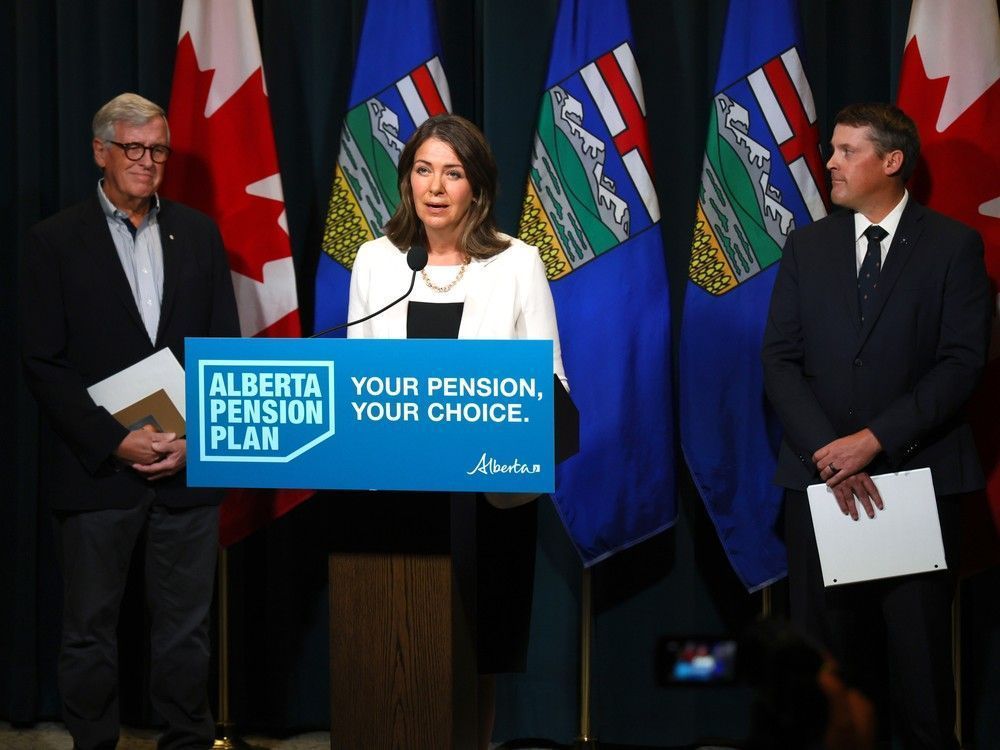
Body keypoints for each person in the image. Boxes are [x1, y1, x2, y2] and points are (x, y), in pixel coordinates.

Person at [761, 102, 992, 749]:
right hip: (819, 484)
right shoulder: (808, 245)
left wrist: (874, 441)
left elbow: (961, 363)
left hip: (914, 482)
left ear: (892, 162)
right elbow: (779, 358)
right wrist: (828, 455)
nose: (828, 163)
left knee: (919, 680)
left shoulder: (952, 246)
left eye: (845, 151)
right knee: (820, 679)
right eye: (830, 149)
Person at [19, 93, 240, 750]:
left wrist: (195, 437)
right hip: (96, 473)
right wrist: (114, 441)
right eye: (135, 149)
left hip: (185, 467)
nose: (148, 162)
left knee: (186, 633)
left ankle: (187, 743)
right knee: (89, 633)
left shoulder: (198, 234)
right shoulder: (52, 241)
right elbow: (42, 363)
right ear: (101, 152)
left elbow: (221, 349)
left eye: (159, 150)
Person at [347, 113, 566, 749]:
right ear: (406, 179)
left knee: (477, 650)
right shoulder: (377, 260)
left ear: (477, 186)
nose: (435, 187)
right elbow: (359, 379)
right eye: (423, 170)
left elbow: (553, 382)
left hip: (489, 495)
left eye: (453, 172)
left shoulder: (517, 262)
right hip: (396, 492)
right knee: (398, 640)